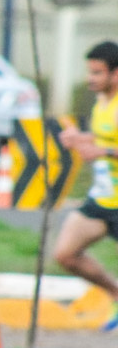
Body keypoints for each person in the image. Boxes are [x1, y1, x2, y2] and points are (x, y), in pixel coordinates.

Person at [54, 40, 118, 330]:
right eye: (90, 72)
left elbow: (107, 148)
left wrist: (104, 152)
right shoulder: (101, 102)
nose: (90, 79)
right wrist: (79, 139)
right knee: (66, 254)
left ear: (115, 74)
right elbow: (104, 140)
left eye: (97, 73)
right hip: (103, 200)